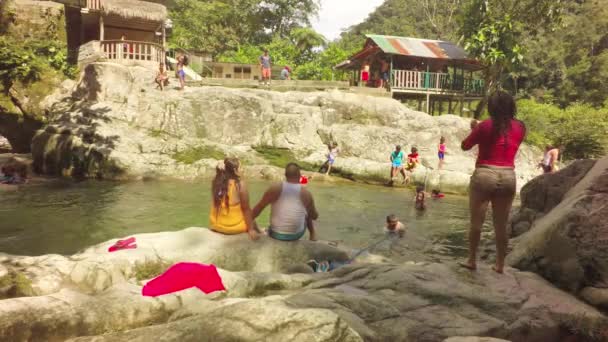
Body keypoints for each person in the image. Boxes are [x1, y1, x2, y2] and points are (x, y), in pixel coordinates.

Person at [459, 91, 526, 274]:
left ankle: (472, 261)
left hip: (484, 174)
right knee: (501, 224)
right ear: (511, 106)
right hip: (508, 176)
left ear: (491, 107)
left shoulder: (485, 126)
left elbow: (465, 146)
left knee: (476, 223)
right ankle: (499, 266)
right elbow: (512, 141)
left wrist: (475, 129)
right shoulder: (521, 127)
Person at [252, 163, 319, 241]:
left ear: (285, 175)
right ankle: (313, 234)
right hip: (296, 235)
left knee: (258, 208)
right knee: (307, 212)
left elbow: (258, 209)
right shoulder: (306, 193)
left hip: (275, 234)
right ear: (299, 175)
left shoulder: (275, 188)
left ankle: (260, 230)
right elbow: (314, 216)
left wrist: (249, 222)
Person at [209, 158, 258, 241]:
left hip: (216, 226)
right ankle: (259, 230)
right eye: (241, 167)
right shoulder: (240, 185)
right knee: (250, 212)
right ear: (235, 170)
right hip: (234, 228)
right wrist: (251, 230)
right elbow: (246, 210)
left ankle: (259, 229)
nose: (242, 169)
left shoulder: (216, 182)